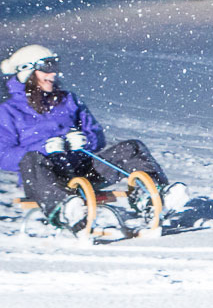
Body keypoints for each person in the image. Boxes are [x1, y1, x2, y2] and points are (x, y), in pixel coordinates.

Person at [0, 44, 189, 233]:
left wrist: (85, 140)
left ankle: (153, 197)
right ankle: (67, 210)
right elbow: (3, 155)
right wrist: (44, 149)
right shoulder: (8, 111)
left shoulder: (68, 100)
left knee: (132, 148)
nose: (53, 75)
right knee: (31, 159)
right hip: (46, 179)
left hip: (84, 170)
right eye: (47, 68)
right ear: (26, 71)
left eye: (55, 67)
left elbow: (97, 136)